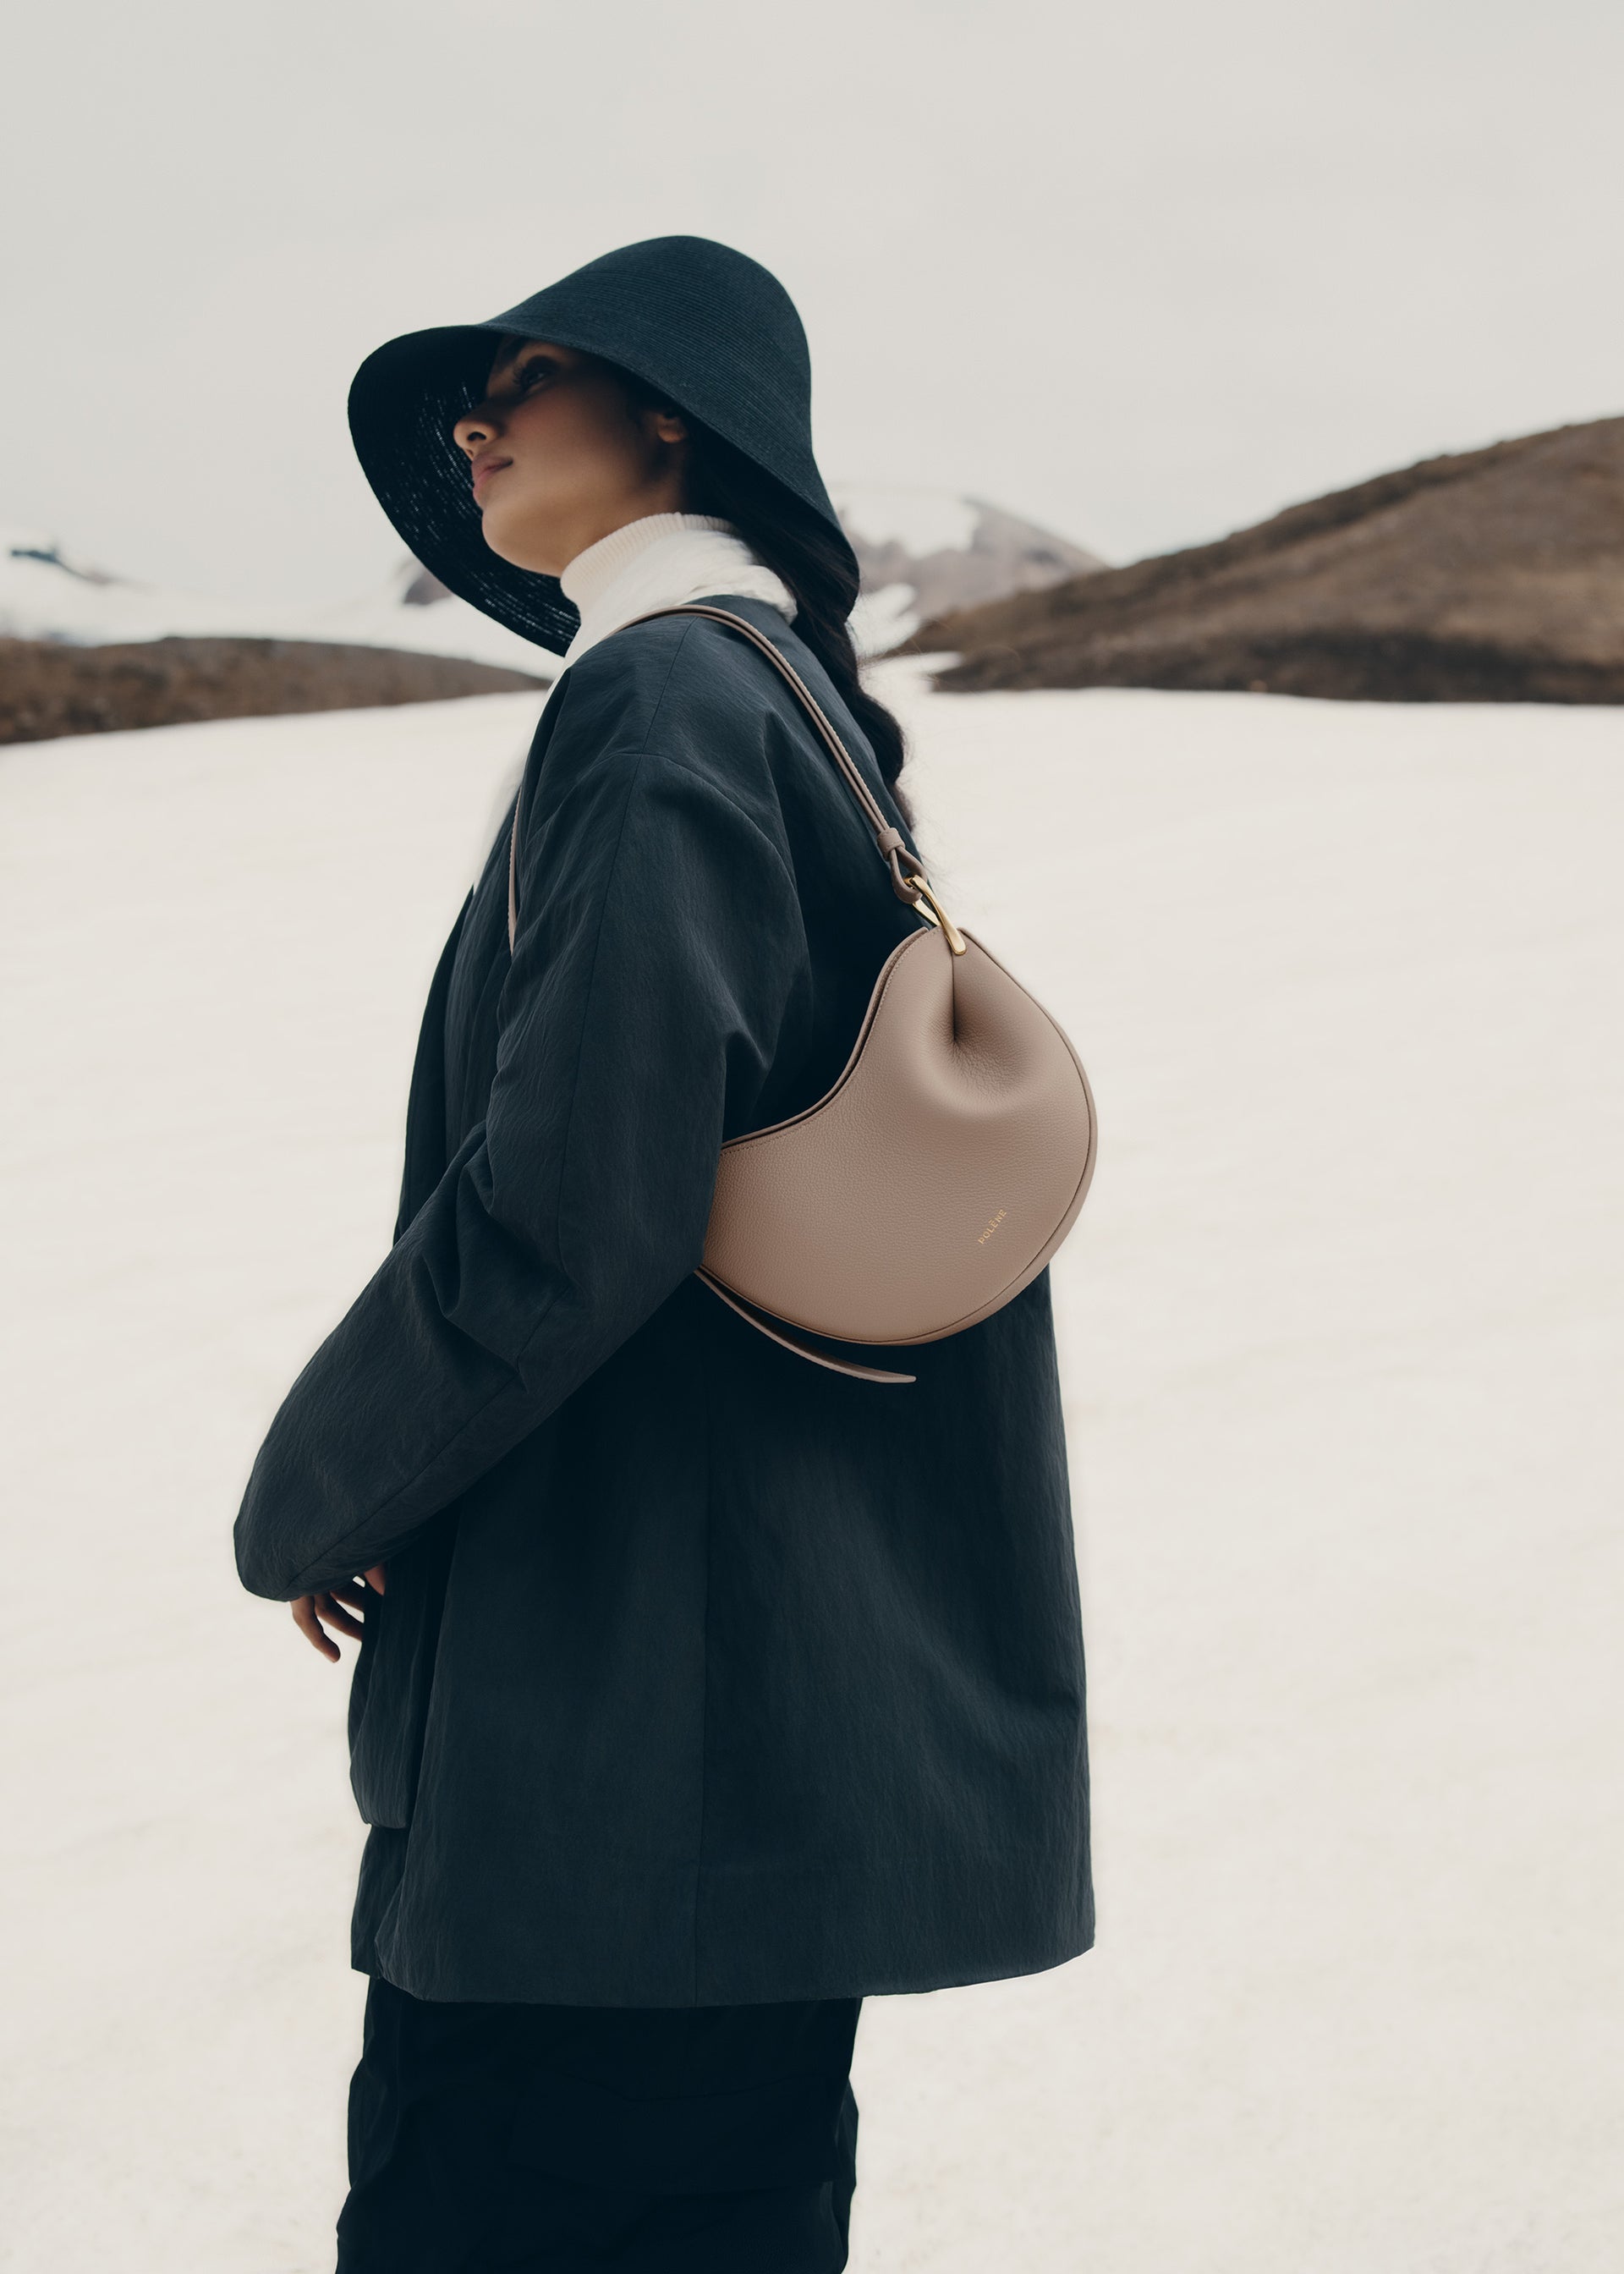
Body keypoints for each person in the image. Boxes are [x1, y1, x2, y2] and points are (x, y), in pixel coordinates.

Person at [233, 234, 1093, 2274]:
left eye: (525, 375)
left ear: (674, 416)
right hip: (754, 1762)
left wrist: (323, 1491)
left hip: (609, 1770)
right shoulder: (793, 714)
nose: (475, 418)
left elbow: (574, 1205)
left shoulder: (659, 697)